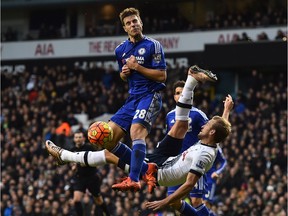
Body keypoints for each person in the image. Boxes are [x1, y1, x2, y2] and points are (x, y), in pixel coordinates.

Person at [46, 66, 232, 215]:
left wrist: (162, 202)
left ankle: (65, 155)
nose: (203, 127)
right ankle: (191, 79)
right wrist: (226, 112)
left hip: (160, 173)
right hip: (166, 157)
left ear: (211, 131)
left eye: (207, 127)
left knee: (110, 153)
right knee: (180, 127)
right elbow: (220, 131)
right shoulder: (205, 140)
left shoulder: (204, 152)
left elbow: (189, 183)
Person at [105, 7, 167, 191]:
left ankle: (134, 179)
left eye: (135, 21)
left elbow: (162, 76)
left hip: (151, 94)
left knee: (136, 132)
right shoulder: (120, 50)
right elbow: (124, 76)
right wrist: (125, 73)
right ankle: (146, 168)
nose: (133, 25)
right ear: (124, 28)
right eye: (128, 23)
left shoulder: (153, 45)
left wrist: (137, 67)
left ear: (141, 22)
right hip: (132, 98)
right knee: (107, 140)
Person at [69, 131, 110, 216]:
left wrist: (87, 163)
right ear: (74, 139)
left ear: (83, 138)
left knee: (98, 200)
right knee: (76, 199)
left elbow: (97, 159)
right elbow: (72, 164)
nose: (78, 139)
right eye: (76, 137)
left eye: (80, 137)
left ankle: (107, 214)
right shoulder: (72, 150)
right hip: (79, 177)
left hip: (91, 176)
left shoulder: (89, 147)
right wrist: (73, 168)